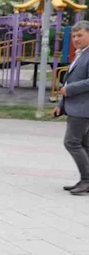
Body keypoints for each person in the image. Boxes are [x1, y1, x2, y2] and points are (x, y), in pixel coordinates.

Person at [55, 20, 89, 195]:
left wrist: (69, 89)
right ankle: (86, 180)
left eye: (80, 35)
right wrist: (61, 104)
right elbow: (70, 80)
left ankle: (86, 180)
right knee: (84, 144)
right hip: (77, 106)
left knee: (71, 142)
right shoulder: (80, 54)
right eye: (74, 36)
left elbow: (74, 85)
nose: (76, 39)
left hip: (83, 109)